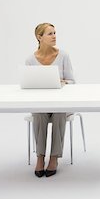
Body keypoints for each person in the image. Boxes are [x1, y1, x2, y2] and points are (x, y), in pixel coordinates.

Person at [26, 23, 75, 177]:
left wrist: (63, 82)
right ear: (39, 37)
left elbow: (73, 81)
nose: (54, 36)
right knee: (39, 114)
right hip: (41, 103)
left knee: (59, 113)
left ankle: (54, 157)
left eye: (54, 33)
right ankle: (40, 157)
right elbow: (27, 84)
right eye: (50, 34)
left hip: (61, 103)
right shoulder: (30, 60)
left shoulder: (63, 56)